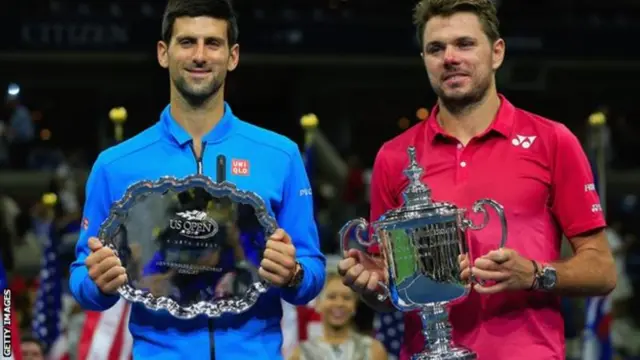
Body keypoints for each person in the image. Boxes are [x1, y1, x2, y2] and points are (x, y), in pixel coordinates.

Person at [337, 1, 616, 359]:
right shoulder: (394, 156)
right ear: (424, 59)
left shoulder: (552, 141)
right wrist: (369, 286)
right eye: (436, 49)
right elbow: (390, 293)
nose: (450, 58)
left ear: (497, 52)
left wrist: (533, 273)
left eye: (465, 44)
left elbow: (603, 270)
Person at [68, 0, 326, 359]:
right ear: (164, 52)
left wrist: (294, 273)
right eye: (187, 42)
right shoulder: (115, 164)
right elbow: (82, 277)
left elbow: (312, 269)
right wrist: (97, 282)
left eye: (213, 43)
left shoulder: (280, 155)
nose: (200, 56)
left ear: (233, 56)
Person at [288, 272, 387, 360]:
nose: (339, 303)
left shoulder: (373, 350)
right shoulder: (300, 354)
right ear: (318, 304)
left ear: (354, 306)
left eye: (346, 298)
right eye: (332, 297)